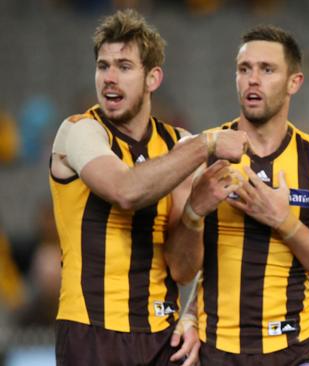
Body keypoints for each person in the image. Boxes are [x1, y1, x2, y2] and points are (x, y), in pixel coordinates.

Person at [49, 9, 248, 366]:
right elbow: (125, 190)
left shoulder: (178, 145)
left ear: (153, 78)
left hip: (161, 334)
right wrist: (207, 144)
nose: (109, 78)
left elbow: (182, 269)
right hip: (90, 332)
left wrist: (193, 212)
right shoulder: (80, 132)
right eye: (103, 66)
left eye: (124, 67)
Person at [194, 25, 309, 365]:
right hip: (214, 349)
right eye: (244, 69)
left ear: (294, 82)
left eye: (267, 69)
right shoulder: (201, 152)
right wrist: (191, 214)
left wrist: (282, 220)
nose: (253, 80)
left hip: (295, 349)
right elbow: (179, 266)